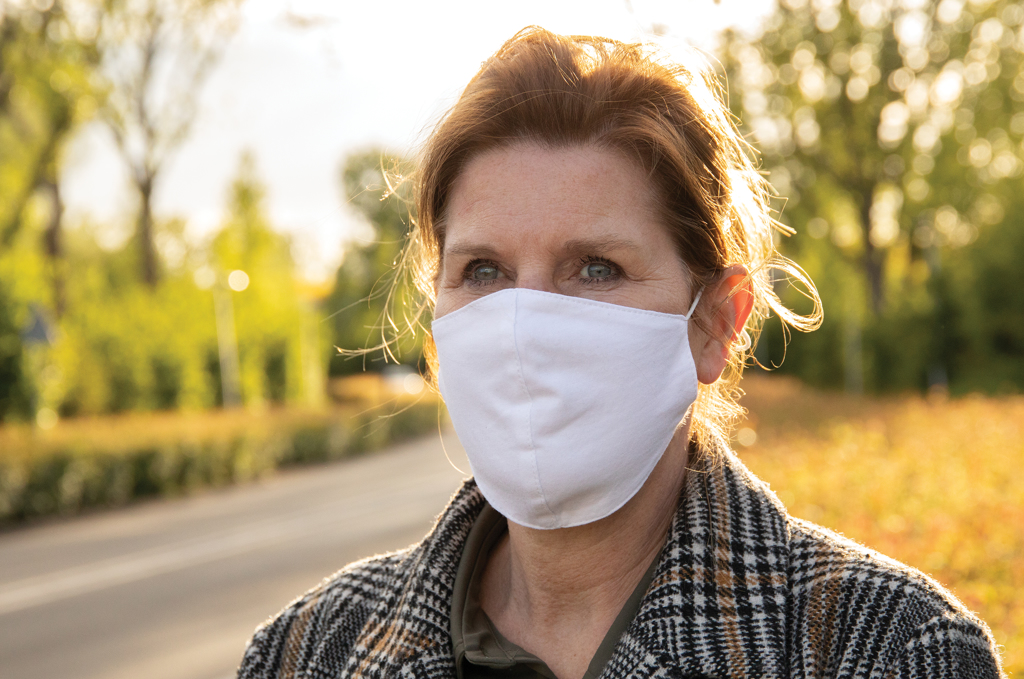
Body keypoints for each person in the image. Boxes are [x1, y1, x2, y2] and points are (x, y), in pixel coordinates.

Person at [237, 27, 1004, 679]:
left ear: (716, 322)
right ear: (437, 331)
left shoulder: (895, 649)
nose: (523, 323)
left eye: (595, 267)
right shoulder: (304, 652)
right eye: (484, 271)